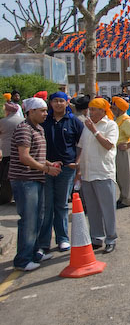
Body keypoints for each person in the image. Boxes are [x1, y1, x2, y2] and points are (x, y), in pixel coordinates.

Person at [9, 97, 61, 271]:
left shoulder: (38, 129)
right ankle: (23, 260)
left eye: (46, 110)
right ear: (31, 112)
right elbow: (24, 157)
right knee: (29, 220)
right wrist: (46, 169)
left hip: (36, 179)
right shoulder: (24, 129)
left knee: (38, 217)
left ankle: (34, 252)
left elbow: (36, 155)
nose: (46, 114)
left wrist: (49, 164)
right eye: (42, 111)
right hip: (25, 180)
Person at [39, 92, 83, 254]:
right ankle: (43, 243)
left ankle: (63, 239)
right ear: (50, 103)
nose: (58, 104)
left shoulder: (74, 122)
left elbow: (82, 143)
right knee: (46, 206)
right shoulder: (44, 121)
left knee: (62, 205)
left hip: (66, 169)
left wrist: (77, 163)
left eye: (61, 101)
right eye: (55, 101)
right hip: (45, 168)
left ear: (67, 103)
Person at [77, 97, 119, 254]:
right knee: (92, 209)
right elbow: (81, 147)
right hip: (88, 173)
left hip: (103, 173)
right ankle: (96, 237)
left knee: (107, 209)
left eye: (94, 109)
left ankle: (111, 238)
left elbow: (108, 145)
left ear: (103, 111)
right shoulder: (87, 126)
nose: (91, 112)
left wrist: (95, 131)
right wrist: (78, 167)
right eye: (90, 109)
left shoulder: (110, 125)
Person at [112, 97, 130, 208]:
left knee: (125, 176)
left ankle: (127, 199)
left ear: (119, 108)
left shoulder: (126, 120)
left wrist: (127, 145)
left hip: (123, 151)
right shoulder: (119, 118)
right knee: (120, 176)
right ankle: (123, 197)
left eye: (114, 106)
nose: (112, 109)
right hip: (118, 150)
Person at [0, 102, 23, 204]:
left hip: (6, 152)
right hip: (20, 153)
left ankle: (6, 197)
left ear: (7, 111)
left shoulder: (3, 121)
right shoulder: (23, 121)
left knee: (5, 178)